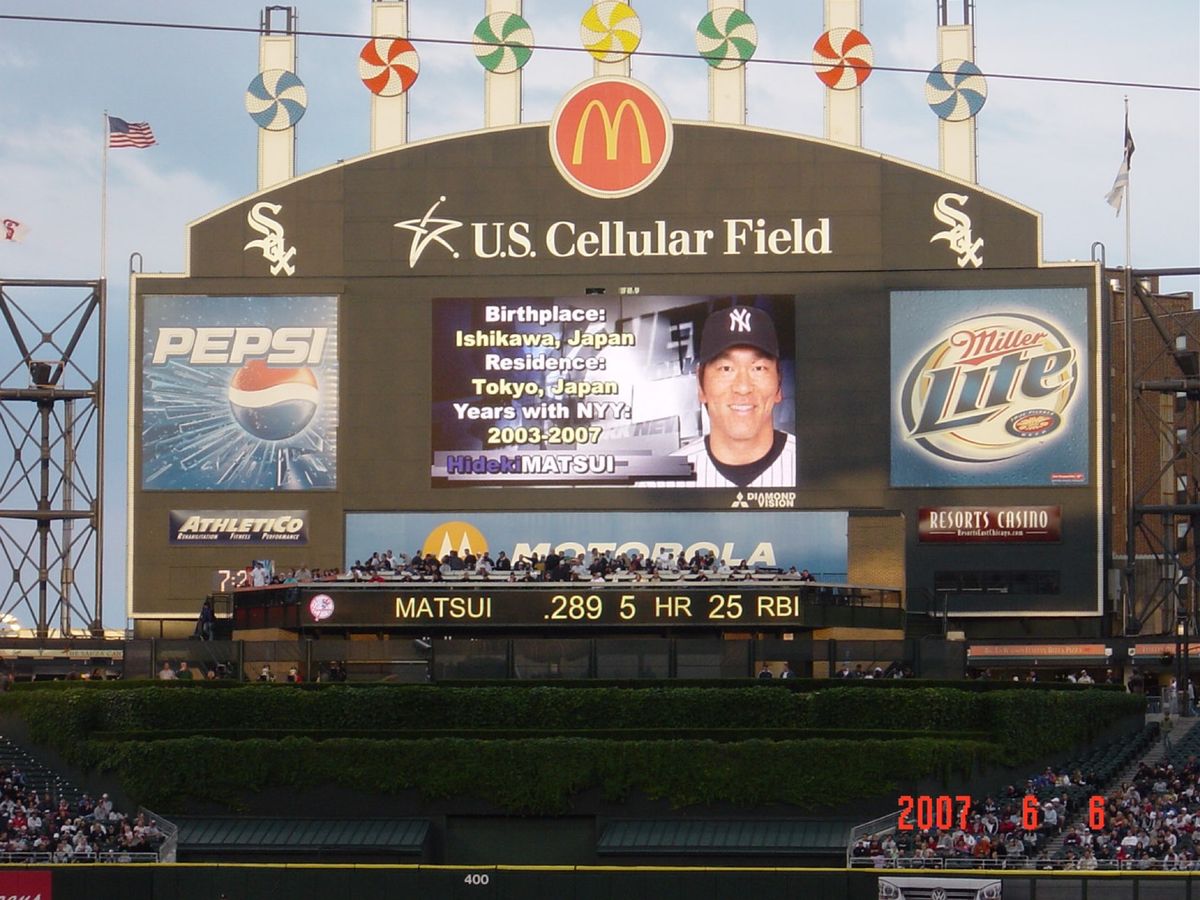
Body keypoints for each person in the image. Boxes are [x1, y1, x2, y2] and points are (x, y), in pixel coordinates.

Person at [646, 306, 795, 488]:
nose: (743, 387)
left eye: (758, 368)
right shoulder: (658, 484)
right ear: (700, 385)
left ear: (779, 383)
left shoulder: (817, 471)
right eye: (726, 369)